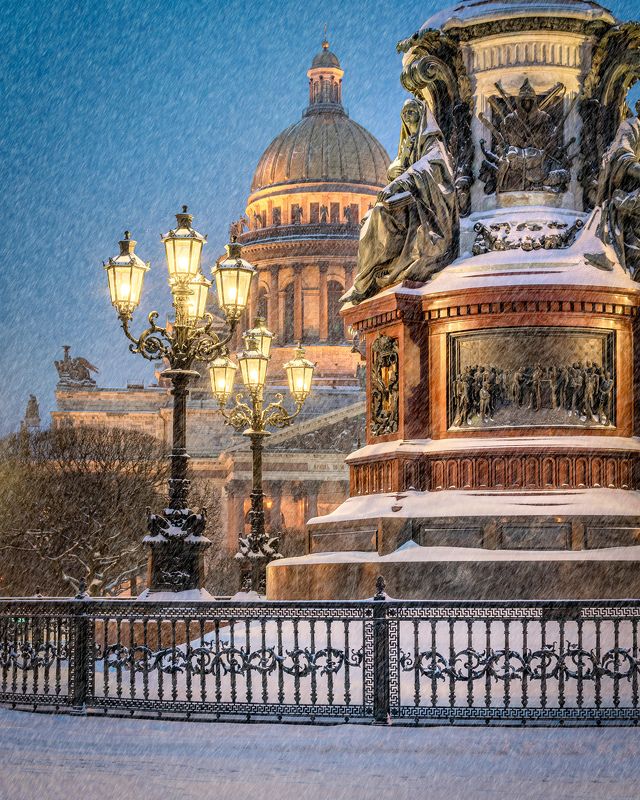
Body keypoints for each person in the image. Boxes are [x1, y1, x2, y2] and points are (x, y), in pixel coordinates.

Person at [344, 98, 458, 304]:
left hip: (424, 204)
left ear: (422, 116)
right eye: (404, 113)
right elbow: (398, 169)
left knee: (380, 215)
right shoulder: (408, 144)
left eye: (412, 112)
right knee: (371, 218)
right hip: (410, 200)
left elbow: (430, 165)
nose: (407, 116)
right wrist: (395, 171)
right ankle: (368, 277)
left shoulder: (431, 141)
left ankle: (370, 277)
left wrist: (400, 181)